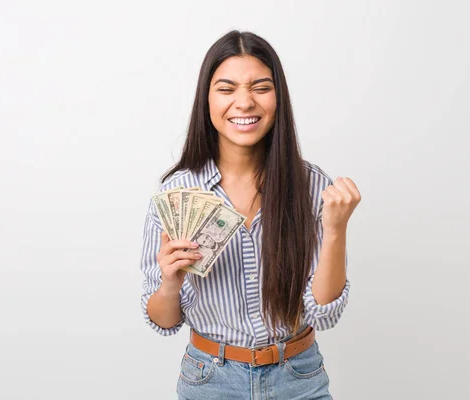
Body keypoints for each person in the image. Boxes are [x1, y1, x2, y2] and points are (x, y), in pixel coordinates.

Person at [140, 30, 361, 400]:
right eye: (226, 89)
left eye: (260, 87)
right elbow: (163, 320)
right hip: (209, 380)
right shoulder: (176, 194)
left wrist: (335, 230)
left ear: (279, 98)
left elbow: (323, 315)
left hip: (299, 378)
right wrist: (170, 283)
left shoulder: (311, 186)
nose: (244, 103)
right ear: (206, 99)